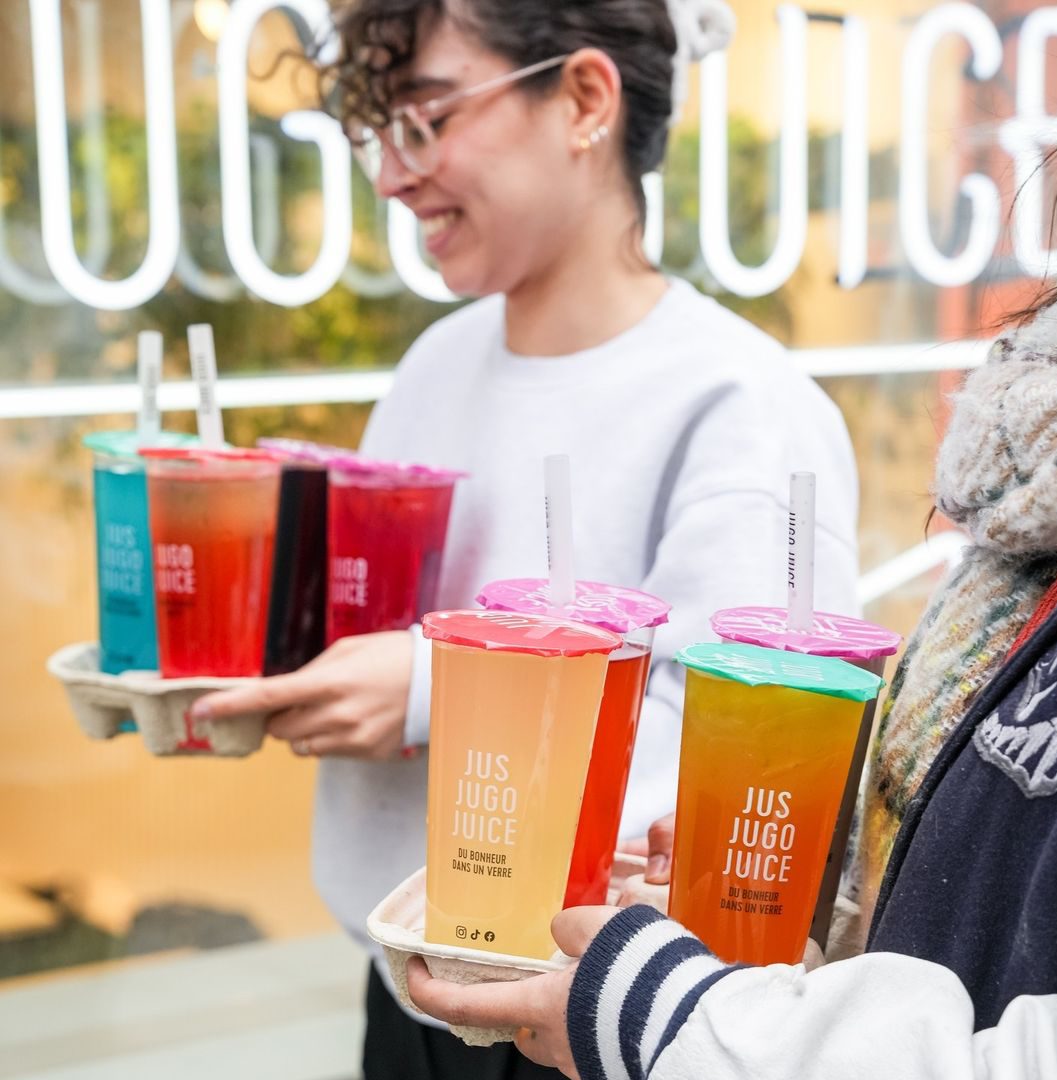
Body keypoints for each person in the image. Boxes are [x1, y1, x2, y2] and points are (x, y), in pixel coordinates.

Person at [194, 0, 861, 1076]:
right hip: (402, 986)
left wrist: (425, 685)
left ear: (585, 100)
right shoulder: (434, 369)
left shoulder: (742, 404)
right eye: (383, 130)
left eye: (427, 118)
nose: (393, 176)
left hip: (589, 1020)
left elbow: (750, 762)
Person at [406, 282, 1057, 1078]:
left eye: (424, 140)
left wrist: (674, 1014)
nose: (395, 167)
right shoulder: (1027, 513)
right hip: (710, 1004)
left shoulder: (742, 395)